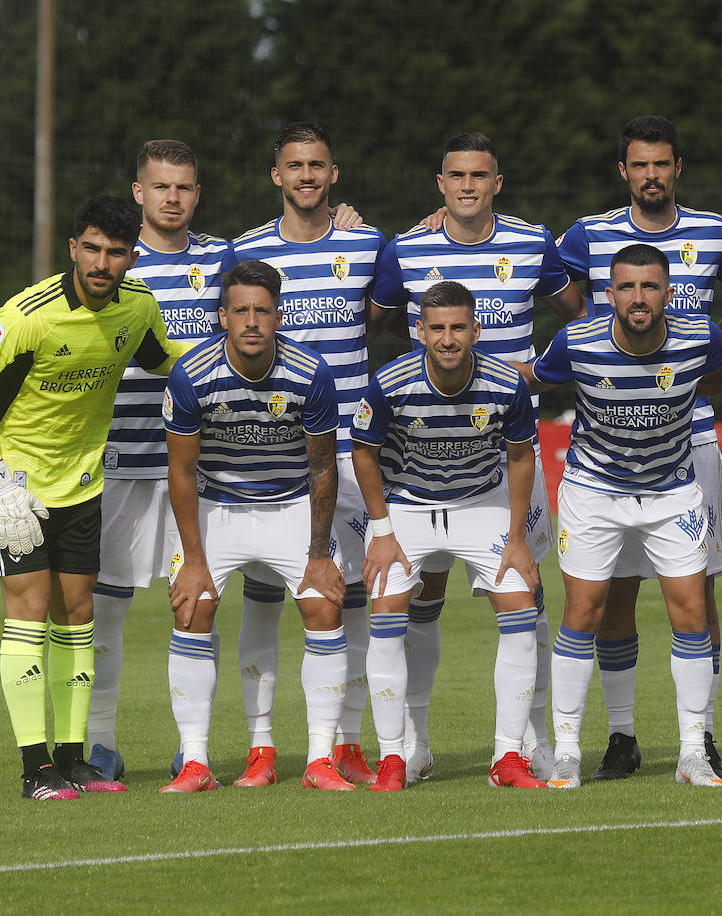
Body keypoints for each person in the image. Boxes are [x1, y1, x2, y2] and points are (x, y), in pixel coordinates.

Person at [0, 194, 179, 800]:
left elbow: (167, 362)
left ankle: (74, 759)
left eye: (117, 252)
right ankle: (35, 769)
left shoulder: (139, 310)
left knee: (78, 614)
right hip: (14, 485)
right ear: (74, 247)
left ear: (132, 257)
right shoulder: (28, 314)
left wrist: (239, 351)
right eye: (93, 249)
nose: (104, 263)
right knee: (27, 607)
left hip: (82, 481)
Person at [372, 130, 584, 782]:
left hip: (505, 454)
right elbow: (377, 322)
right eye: (456, 176)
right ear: (441, 184)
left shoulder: (531, 239)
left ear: (497, 182)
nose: (467, 186)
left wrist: (538, 371)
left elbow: (577, 317)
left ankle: (531, 742)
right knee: (420, 598)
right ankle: (412, 744)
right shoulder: (407, 247)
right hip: (422, 462)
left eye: (480, 176)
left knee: (528, 598)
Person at [88, 139, 284, 787]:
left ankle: (190, 750)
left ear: (198, 194)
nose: (173, 197)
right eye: (161, 187)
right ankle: (102, 742)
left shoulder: (222, 261)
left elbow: (279, 272)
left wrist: (342, 219)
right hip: (118, 459)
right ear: (139, 192)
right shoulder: (114, 265)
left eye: (185, 187)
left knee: (195, 601)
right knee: (107, 607)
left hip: (197, 468)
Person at [554, 115, 722, 780]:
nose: (651, 175)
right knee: (613, 594)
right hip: (608, 440)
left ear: (677, 169)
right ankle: (621, 737)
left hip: (689, 438)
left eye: (662, 164)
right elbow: (538, 276)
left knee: (698, 592)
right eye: (640, 165)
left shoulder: (717, 231)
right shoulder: (586, 233)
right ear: (624, 172)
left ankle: (703, 737)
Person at [522, 243, 722, 789]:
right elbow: (532, 378)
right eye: (627, 287)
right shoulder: (576, 341)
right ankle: (571, 750)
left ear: (669, 292)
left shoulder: (700, 337)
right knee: (585, 611)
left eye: (650, 286)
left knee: (692, 611)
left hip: (673, 492)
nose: (638, 297)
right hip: (594, 490)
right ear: (609, 294)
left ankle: (693, 751)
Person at [229, 121, 385, 785]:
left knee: (347, 598)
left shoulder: (368, 243)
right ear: (276, 176)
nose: (306, 176)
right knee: (263, 598)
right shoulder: (246, 251)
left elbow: (391, 308)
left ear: (334, 173)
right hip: (271, 452)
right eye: (295, 166)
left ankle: (344, 741)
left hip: (350, 451)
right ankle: (261, 746)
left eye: (317, 165)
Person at [159, 259, 352, 793]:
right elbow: (181, 470)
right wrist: (194, 561)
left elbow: (321, 468)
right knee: (192, 606)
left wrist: (319, 554)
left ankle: (318, 760)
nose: (251, 321)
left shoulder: (310, 374)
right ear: (222, 316)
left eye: (262, 311)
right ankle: (196, 762)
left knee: (324, 603)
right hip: (217, 508)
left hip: (289, 505)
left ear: (278, 316)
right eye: (240, 310)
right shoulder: (191, 374)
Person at [353, 280, 547, 791]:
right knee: (389, 609)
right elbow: (363, 452)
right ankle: (397, 756)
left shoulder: (507, 384)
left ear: (475, 330)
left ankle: (508, 756)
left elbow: (522, 455)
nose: (447, 338)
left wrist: (516, 537)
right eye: (436, 328)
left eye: (458, 327)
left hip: (481, 504)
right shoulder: (390, 382)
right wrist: (381, 531)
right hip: (409, 507)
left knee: (521, 606)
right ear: (419, 331)